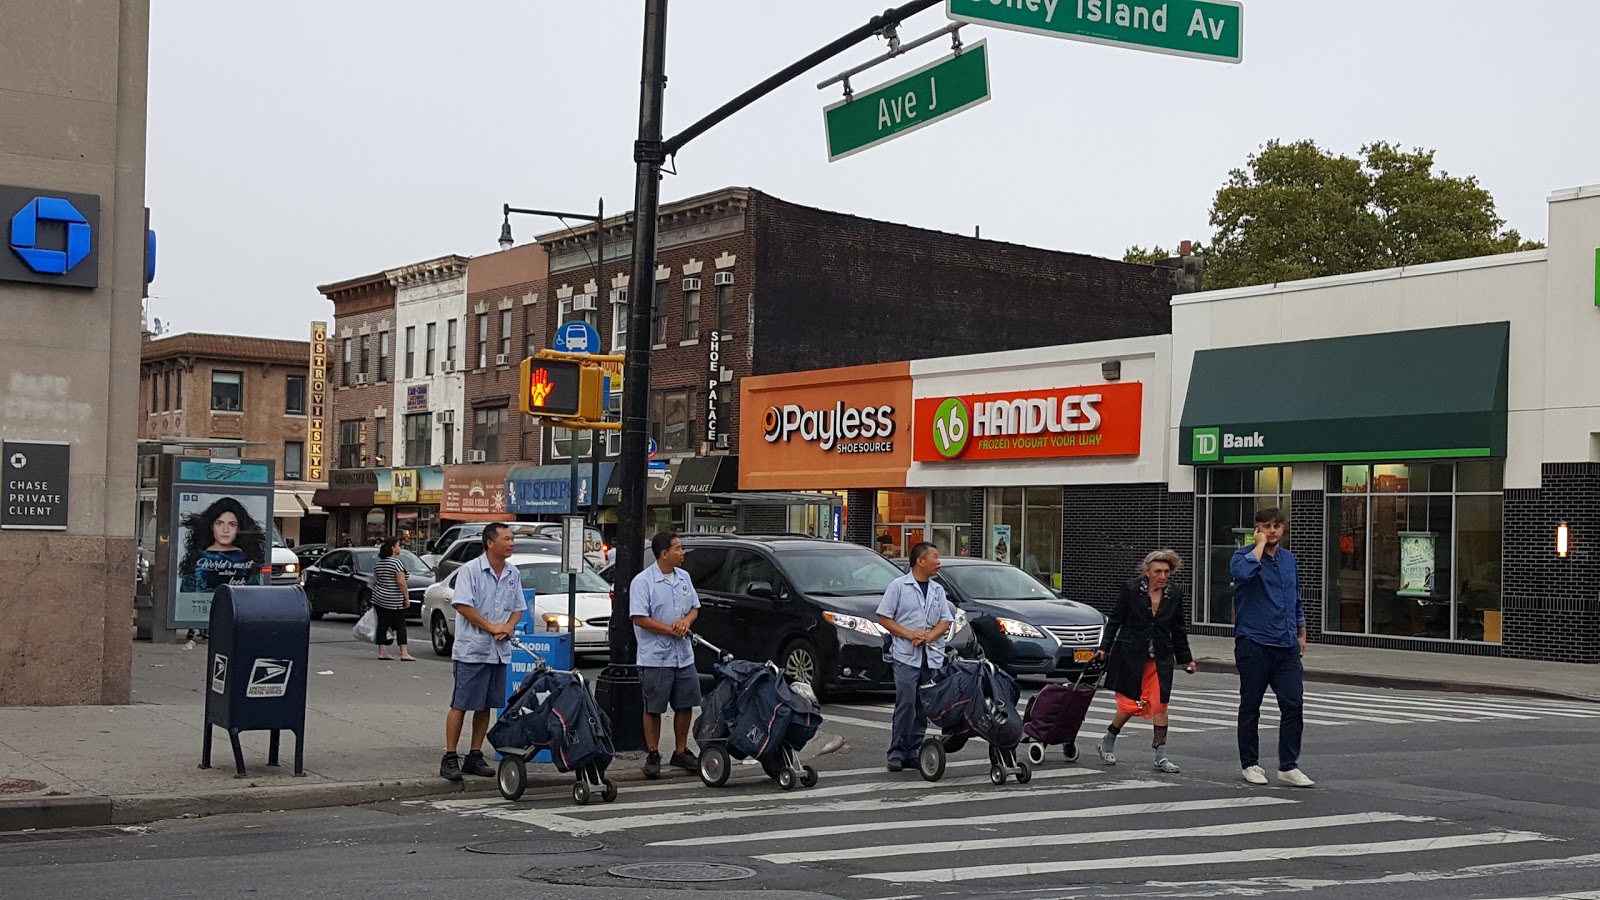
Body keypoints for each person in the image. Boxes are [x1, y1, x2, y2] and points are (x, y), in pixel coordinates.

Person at [1230, 507, 1314, 788]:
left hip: (1287, 645)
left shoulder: (1289, 560)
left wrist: (1301, 632)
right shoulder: (1243, 556)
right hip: (1254, 642)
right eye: (1267, 526)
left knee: (1293, 703)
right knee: (1251, 706)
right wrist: (1259, 546)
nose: (1273, 530)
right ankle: (1250, 763)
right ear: (1257, 529)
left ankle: (1288, 766)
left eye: (1277, 526)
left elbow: (1294, 597)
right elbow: (1242, 575)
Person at [1093, 550, 1196, 774]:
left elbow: (1178, 628)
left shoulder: (1174, 594)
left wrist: (1186, 659)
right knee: (1130, 705)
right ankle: (1109, 738)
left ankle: (1160, 756)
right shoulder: (1131, 589)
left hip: (1160, 657)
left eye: (1167, 571)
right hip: (1130, 656)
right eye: (1157, 571)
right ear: (1147, 572)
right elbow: (1115, 621)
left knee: (1160, 704)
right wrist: (1104, 648)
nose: (1162, 576)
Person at [440, 522, 522, 782]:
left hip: (498, 650)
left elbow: (518, 607)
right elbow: (463, 605)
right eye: (506, 539)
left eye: (512, 539)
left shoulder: (513, 573)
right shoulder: (471, 571)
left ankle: (475, 755)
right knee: (462, 704)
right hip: (472, 650)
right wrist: (491, 627)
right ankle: (450, 756)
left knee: (486, 705)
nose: (511, 543)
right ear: (490, 543)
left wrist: (508, 627)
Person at [875, 541, 953, 772]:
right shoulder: (898, 586)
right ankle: (897, 751)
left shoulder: (938, 589)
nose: (938, 562)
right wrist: (910, 634)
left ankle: (913, 750)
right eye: (934, 557)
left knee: (924, 705)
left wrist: (929, 636)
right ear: (920, 561)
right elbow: (884, 618)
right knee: (906, 702)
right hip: (906, 656)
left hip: (932, 656)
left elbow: (945, 620)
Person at [629, 531, 702, 779]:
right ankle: (653, 752)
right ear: (664, 554)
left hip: (684, 655)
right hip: (655, 656)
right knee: (654, 706)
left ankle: (680, 751)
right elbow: (639, 618)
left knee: (685, 703)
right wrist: (670, 629)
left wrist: (685, 621)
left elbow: (694, 607)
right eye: (678, 549)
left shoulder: (684, 578)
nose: (682, 553)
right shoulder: (643, 581)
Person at [177, 497, 267, 594]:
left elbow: (253, 593)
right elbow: (186, 595)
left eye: (232, 524)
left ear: (239, 528)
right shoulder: (197, 556)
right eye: (219, 523)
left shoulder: (248, 557)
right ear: (211, 526)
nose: (225, 530)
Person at [371, 537, 415, 662]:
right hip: (393, 599)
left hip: (379, 598)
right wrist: (406, 598)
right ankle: (404, 652)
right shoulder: (396, 563)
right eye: (398, 545)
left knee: (382, 624)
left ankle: (382, 651)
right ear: (393, 548)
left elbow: (375, 580)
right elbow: (401, 582)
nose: (400, 548)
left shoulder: (379, 563)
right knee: (400, 625)